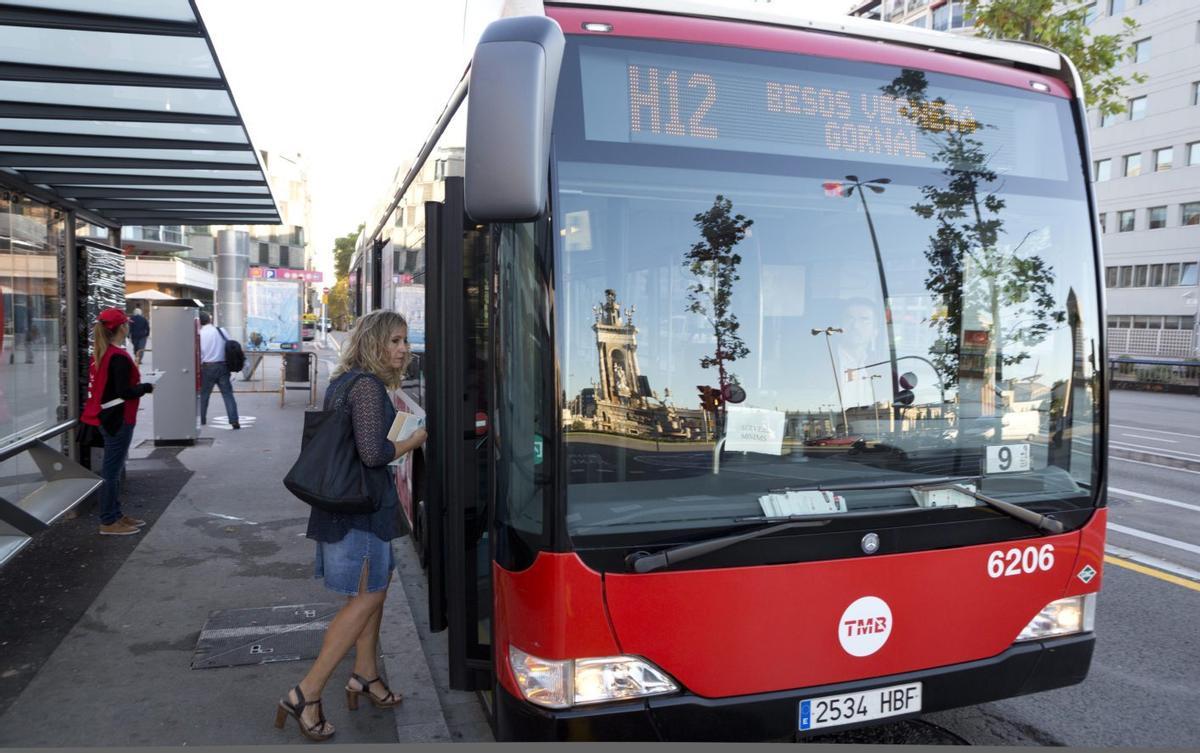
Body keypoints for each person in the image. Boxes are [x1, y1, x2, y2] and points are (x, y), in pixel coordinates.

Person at [274, 310, 426, 742]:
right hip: (358, 510)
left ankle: (365, 675)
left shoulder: (345, 383)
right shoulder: (366, 387)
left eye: (404, 341)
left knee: (374, 590)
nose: (403, 350)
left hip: (352, 506)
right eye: (394, 341)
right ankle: (306, 692)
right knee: (368, 596)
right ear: (375, 343)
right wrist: (414, 439)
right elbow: (374, 453)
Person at [80, 307, 155, 536]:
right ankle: (108, 520)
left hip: (106, 417)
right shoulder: (118, 357)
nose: (128, 326)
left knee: (112, 469)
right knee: (111, 471)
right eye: (126, 323)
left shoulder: (102, 353)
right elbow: (124, 391)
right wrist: (147, 386)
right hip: (118, 419)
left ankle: (116, 515)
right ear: (122, 327)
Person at [198, 310, 240, 429]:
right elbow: (228, 345)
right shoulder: (221, 331)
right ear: (210, 320)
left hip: (207, 367)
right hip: (223, 366)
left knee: (204, 395)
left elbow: (199, 354)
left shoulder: (200, 334)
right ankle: (234, 420)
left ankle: (202, 419)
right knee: (227, 395)